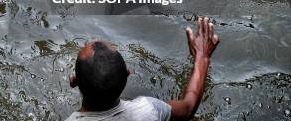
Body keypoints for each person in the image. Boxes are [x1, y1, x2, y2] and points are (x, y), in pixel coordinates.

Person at [66, 17, 220, 120]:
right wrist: (202, 56)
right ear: (127, 75)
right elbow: (188, 107)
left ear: (73, 81)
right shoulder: (148, 110)